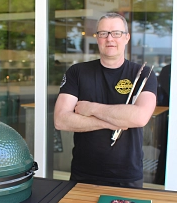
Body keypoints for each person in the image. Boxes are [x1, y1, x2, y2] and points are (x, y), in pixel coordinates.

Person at [54, 12, 157, 189]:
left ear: (126, 37)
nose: (110, 38)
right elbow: (61, 120)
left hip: (127, 175)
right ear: (97, 38)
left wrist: (91, 108)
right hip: (83, 173)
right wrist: (113, 122)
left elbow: (139, 117)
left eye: (116, 33)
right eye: (103, 33)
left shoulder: (143, 74)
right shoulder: (77, 72)